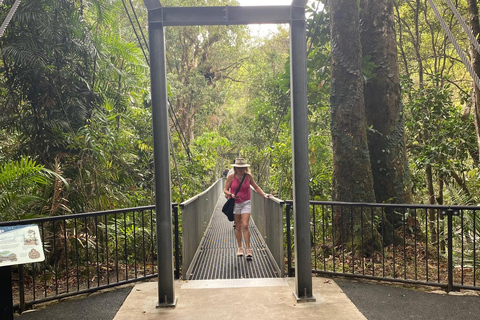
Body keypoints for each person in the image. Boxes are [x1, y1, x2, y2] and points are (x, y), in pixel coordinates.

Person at [223, 157, 270, 259]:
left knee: (245, 225)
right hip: (235, 203)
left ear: (245, 167)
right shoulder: (231, 177)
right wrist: (231, 194)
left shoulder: (248, 177)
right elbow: (225, 190)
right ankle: (240, 248)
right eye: (239, 167)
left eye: (242, 167)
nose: (241, 169)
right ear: (235, 168)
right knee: (238, 226)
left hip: (246, 203)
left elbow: (256, 187)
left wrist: (264, 195)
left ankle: (248, 249)